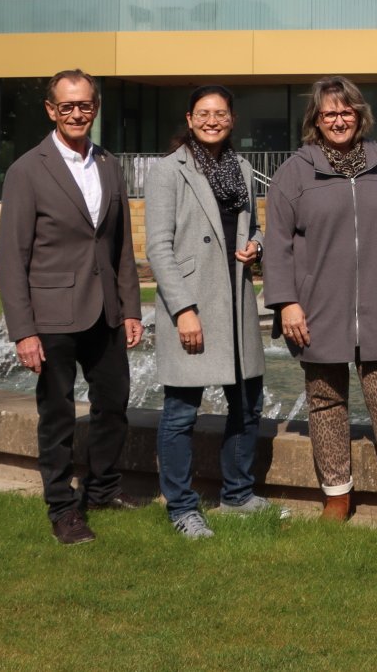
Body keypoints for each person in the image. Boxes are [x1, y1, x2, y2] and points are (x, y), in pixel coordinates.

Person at [262, 76, 377, 532]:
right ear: (315, 121)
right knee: (325, 402)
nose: (338, 120)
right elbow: (278, 245)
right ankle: (337, 496)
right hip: (318, 306)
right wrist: (286, 302)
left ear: (359, 116)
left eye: (346, 112)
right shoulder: (295, 172)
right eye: (329, 114)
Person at [0, 69, 144, 545]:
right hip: (52, 315)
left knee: (114, 405)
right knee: (57, 415)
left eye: (84, 106)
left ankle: (101, 491)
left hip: (105, 312)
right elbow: (12, 258)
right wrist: (23, 330)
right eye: (67, 107)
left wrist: (132, 309)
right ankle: (63, 508)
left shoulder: (108, 164)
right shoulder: (26, 170)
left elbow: (120, 246)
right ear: (50, 110)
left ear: (95, 108)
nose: (77, 114)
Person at [143, 85, 282, 539]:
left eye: (220, 113)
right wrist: (183, 309)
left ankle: (238, 493)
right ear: (188, 119)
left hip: (236, 301)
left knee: (248, 403)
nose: (211, 120)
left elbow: (256, 227)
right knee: (181, 411)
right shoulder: (168, 171)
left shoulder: (240, 167)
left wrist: (255, 245)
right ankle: (182, 508)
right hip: (193, 303)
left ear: (232, 120)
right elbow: (158, 248)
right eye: (203, 113)